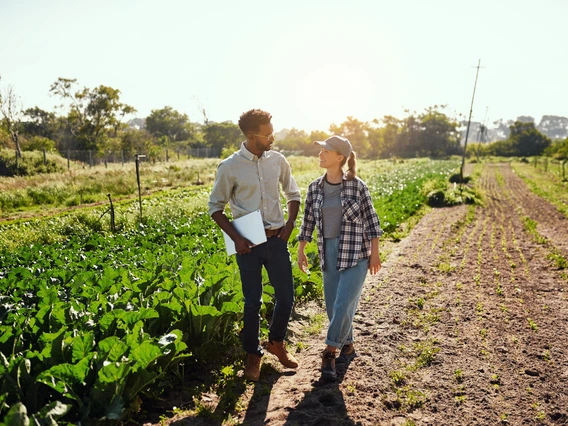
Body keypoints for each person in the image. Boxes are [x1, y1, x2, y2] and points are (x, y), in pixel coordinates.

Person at [208, 108, 301, 382]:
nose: (272, 137)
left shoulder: (278, 161)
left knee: (286, 297)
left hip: (277, 240)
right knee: (252, 302)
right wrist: (236, 238)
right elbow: (215, 208)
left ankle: (276, 342)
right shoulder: (229, 167)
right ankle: (253, 355)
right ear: (252, 136)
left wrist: (290, 223)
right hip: (248, 244)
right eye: (268, 134)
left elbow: (293, 193)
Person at [297, 135, 382, 382]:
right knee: (332, 305)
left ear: (339, 157)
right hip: (329, 251)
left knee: (343, 303)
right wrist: (302, 249)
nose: (320, 154)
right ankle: (348, 344)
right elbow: (308, 222)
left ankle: (330, 352)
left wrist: (374, 253)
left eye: (326, 151)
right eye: (320, 150)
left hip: (356, 252)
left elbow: (372, 221)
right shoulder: (314, 187)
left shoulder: (357, 186)